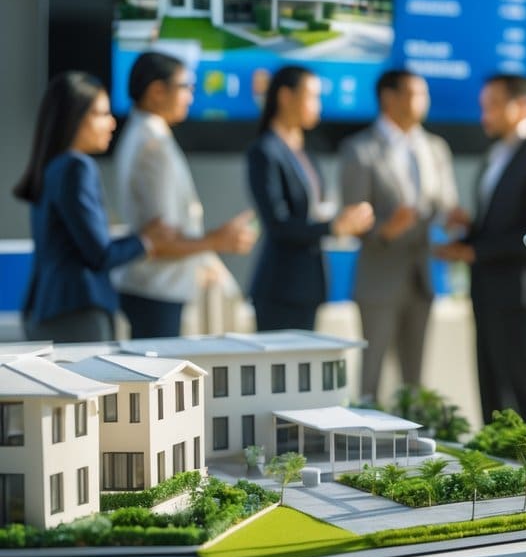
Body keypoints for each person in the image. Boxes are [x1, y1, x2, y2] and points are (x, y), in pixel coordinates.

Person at [435, 73, 526, 437]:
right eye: (484, 107)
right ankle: (501, 481)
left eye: (493, 106)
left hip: (519, 297)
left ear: (522, 105)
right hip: (486, 293)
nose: (485, 116)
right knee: (493, 397)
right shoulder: (494, 154)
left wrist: (473, 250)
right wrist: (471, 227)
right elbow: (502, 224)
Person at [14, 72, 169, 342]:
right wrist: (146, 241)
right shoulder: (77, 167)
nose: (111, 123)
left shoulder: (54, 167)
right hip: (77, 312)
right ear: (74, 118)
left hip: (48, 311)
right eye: (101, 114)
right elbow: (100, 254)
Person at [112, 51, 256, 338]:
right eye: (186, 87)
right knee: (158, 378)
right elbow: (161, 240)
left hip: (155, 289)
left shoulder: (146, 135)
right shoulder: (152, 145)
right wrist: (218, 240)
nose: (191, 96)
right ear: (156, 91)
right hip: (156, 290)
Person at [338, 69, 459, 403]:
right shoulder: (359, 150)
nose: (424, 101)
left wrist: (452, 219)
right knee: (371, 377)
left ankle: (414, 451)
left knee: (414, 381)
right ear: (389, 98)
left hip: (422, 276)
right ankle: (363, 448)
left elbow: (445, 204)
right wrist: (385, 229)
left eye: (424, 93)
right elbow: (352, 220)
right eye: (415, 93)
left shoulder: (435, 147)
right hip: (379, 276)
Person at [246, 65, 374, 332]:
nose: (318, 105)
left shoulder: (303, 150)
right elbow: (278, 224)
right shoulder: (265, 151)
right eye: (312, 96)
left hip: (309, 283)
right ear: (285, 97)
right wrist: (334, 227)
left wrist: (343, 220)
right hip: (280, 286)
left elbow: (313, 212)